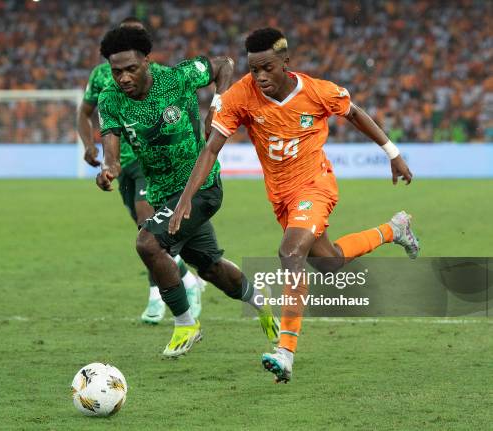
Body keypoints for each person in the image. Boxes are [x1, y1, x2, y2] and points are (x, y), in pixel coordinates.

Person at [168, 28, 420, 381]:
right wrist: (185, 199)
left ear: (285, 62)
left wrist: (392, 153)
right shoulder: (242, 95)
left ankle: (285, 351)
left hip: (316, 186)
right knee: (329, 264)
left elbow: (355, 112)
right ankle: (394, 230)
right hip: (282, 198)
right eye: (254, 70)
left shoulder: (317, 90)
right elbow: (211, 148)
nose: (260, 77)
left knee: (290, 253)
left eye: (267, 68)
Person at [95, 26, 279, 357]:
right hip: (162, 194)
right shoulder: (109, 98)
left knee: (148, 243)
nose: (122, 78)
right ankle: (259, 301)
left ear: (147, 62)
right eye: (116, 70)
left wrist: (218, 105)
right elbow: (111, 148)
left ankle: (185, 324)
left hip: (201, 187)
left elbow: (224, 64)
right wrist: (109, 168)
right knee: (210, 268)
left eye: (130, 69)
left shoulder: (178, 77)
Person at [78, 17, 204, 324]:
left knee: (148, 231)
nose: (122, 75)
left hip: (148, 164)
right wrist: (90, 146)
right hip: (121, 164)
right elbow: (84, 113)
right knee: (144, 231)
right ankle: (187, 279)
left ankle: (157, 299)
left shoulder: (159, 77)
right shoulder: (100, 78)